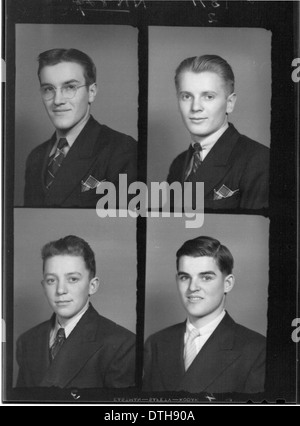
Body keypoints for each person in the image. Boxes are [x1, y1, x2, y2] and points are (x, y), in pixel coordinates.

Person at [143, 236, 266, 394]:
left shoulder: (257, 350)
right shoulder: (156, 343)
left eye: (206, 277)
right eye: (185, 277)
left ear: (227, 283)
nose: (192, 287)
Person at [16, 235, 136, 389]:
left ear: (92, 285)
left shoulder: (122, 344)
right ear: (43, 286)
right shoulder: (27, 341)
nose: (60, 290)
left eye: (72, 279)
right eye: (51, 280)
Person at [24, 48, 137, 207]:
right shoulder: (35, 157)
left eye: (69, 87)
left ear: (91, 92)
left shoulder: (122, 150)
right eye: (49, 89)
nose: (57, 100)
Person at [167, 55, 269, 210]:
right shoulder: (179, 163)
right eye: (186, 96)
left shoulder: (259, 160)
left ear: (229, 103)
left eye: (208, 97)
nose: (195, 107)